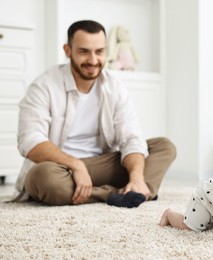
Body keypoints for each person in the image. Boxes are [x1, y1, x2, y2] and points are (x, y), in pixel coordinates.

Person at [13, 20, 176, 208]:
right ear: (67, 50)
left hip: (102, 165)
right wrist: (75, 165)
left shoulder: (114, 87)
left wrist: (137, 175)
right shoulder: (43, 86)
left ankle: (135, 186)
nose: (93, 60)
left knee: (164, 147)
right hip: (61, 168)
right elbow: (29, 140)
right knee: (41, 178)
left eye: (99, 51)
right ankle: (129, 192)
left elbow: (131, 136)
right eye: (84, 51)